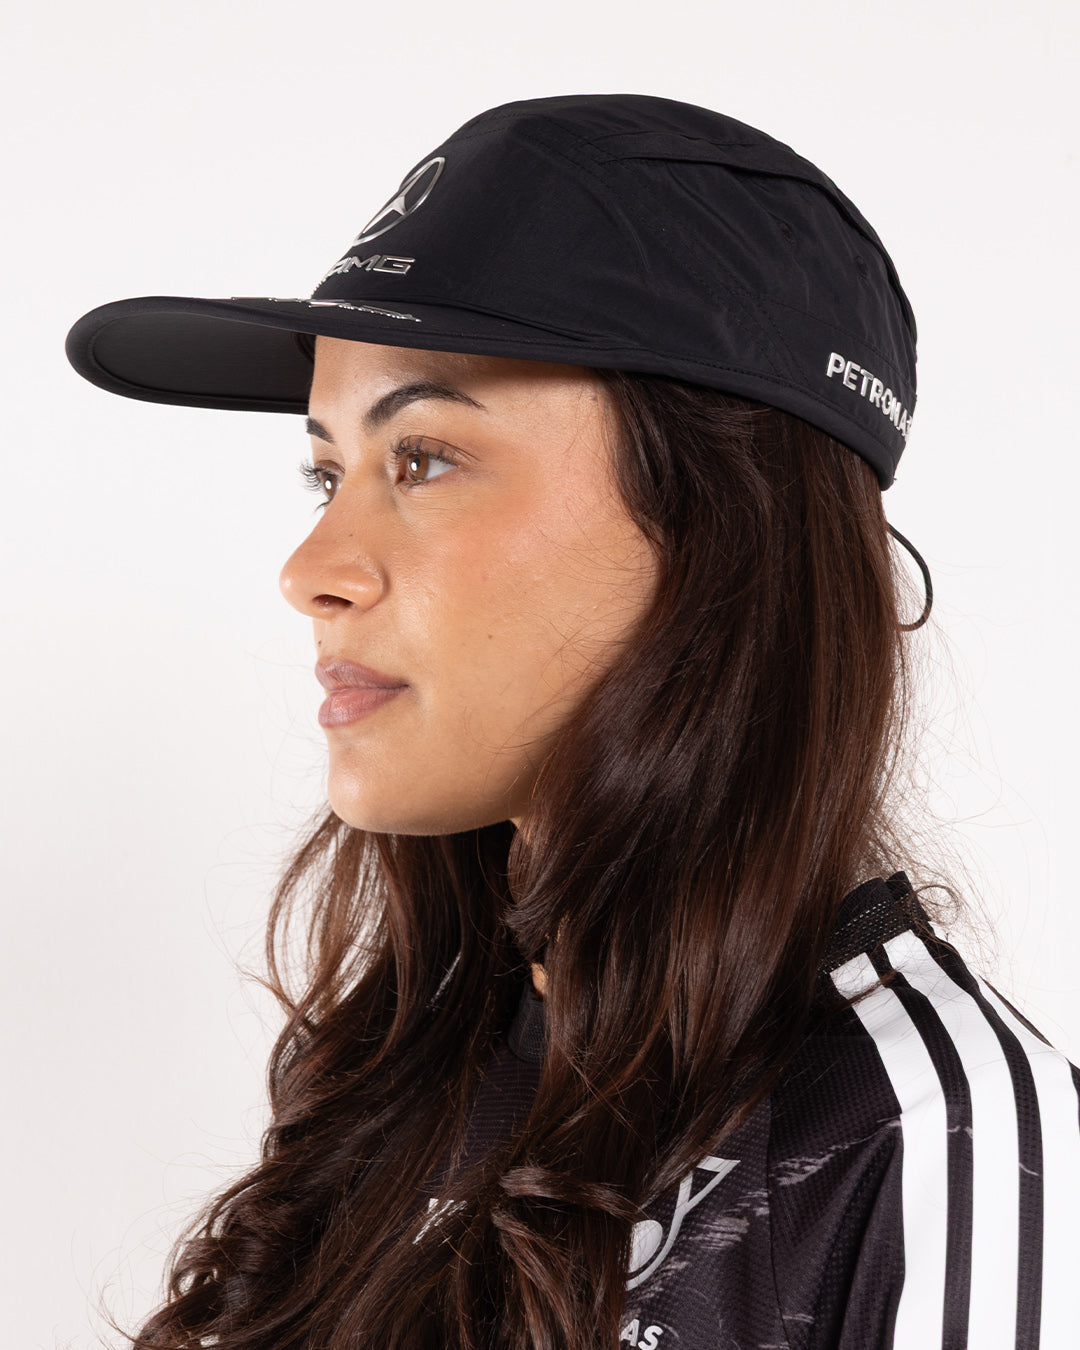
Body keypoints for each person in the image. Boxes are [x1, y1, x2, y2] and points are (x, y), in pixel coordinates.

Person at [65, 94, 1080, 1350]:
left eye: (423, 457)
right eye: (326, 472)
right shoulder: (392, 1075)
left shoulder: (934, 1138)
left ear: (720, 533)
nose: (311, 567)